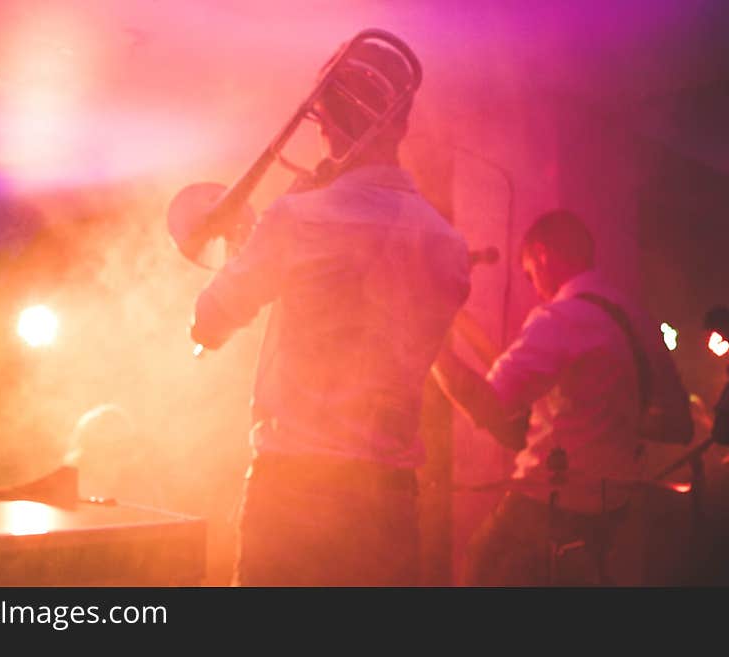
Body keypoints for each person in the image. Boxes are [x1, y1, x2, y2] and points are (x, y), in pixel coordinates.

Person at [188, 36, 470, 585]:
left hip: (293, 487)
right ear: (403, 124)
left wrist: (269, 233)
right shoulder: (449, 246)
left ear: (325, 122)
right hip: (387, 500)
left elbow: (209, 319)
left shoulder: (296, 219)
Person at [433, 209, 693, 585]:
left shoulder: (559, 318)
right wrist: (607, 420)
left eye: (528, 272)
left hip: (546, 505)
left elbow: (487, 404)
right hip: (612, 507)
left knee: (481, 568)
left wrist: (426, 342)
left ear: (542, 255)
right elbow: (679, 425)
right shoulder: (640, 320)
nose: (533, 285)